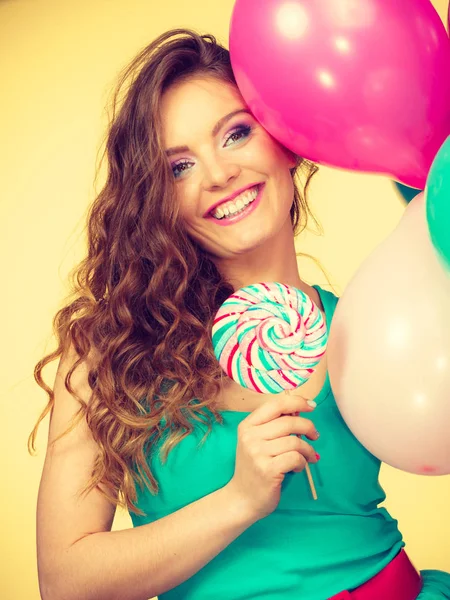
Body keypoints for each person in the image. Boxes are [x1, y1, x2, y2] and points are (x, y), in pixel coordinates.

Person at [30, 28, 450, 600]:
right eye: (178, 167)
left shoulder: (371, 323)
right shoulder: (112, 348)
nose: (218, 174)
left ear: (285, 139)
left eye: (235, 133)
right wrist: (239, 500)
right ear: (156, 200)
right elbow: (66, 582)